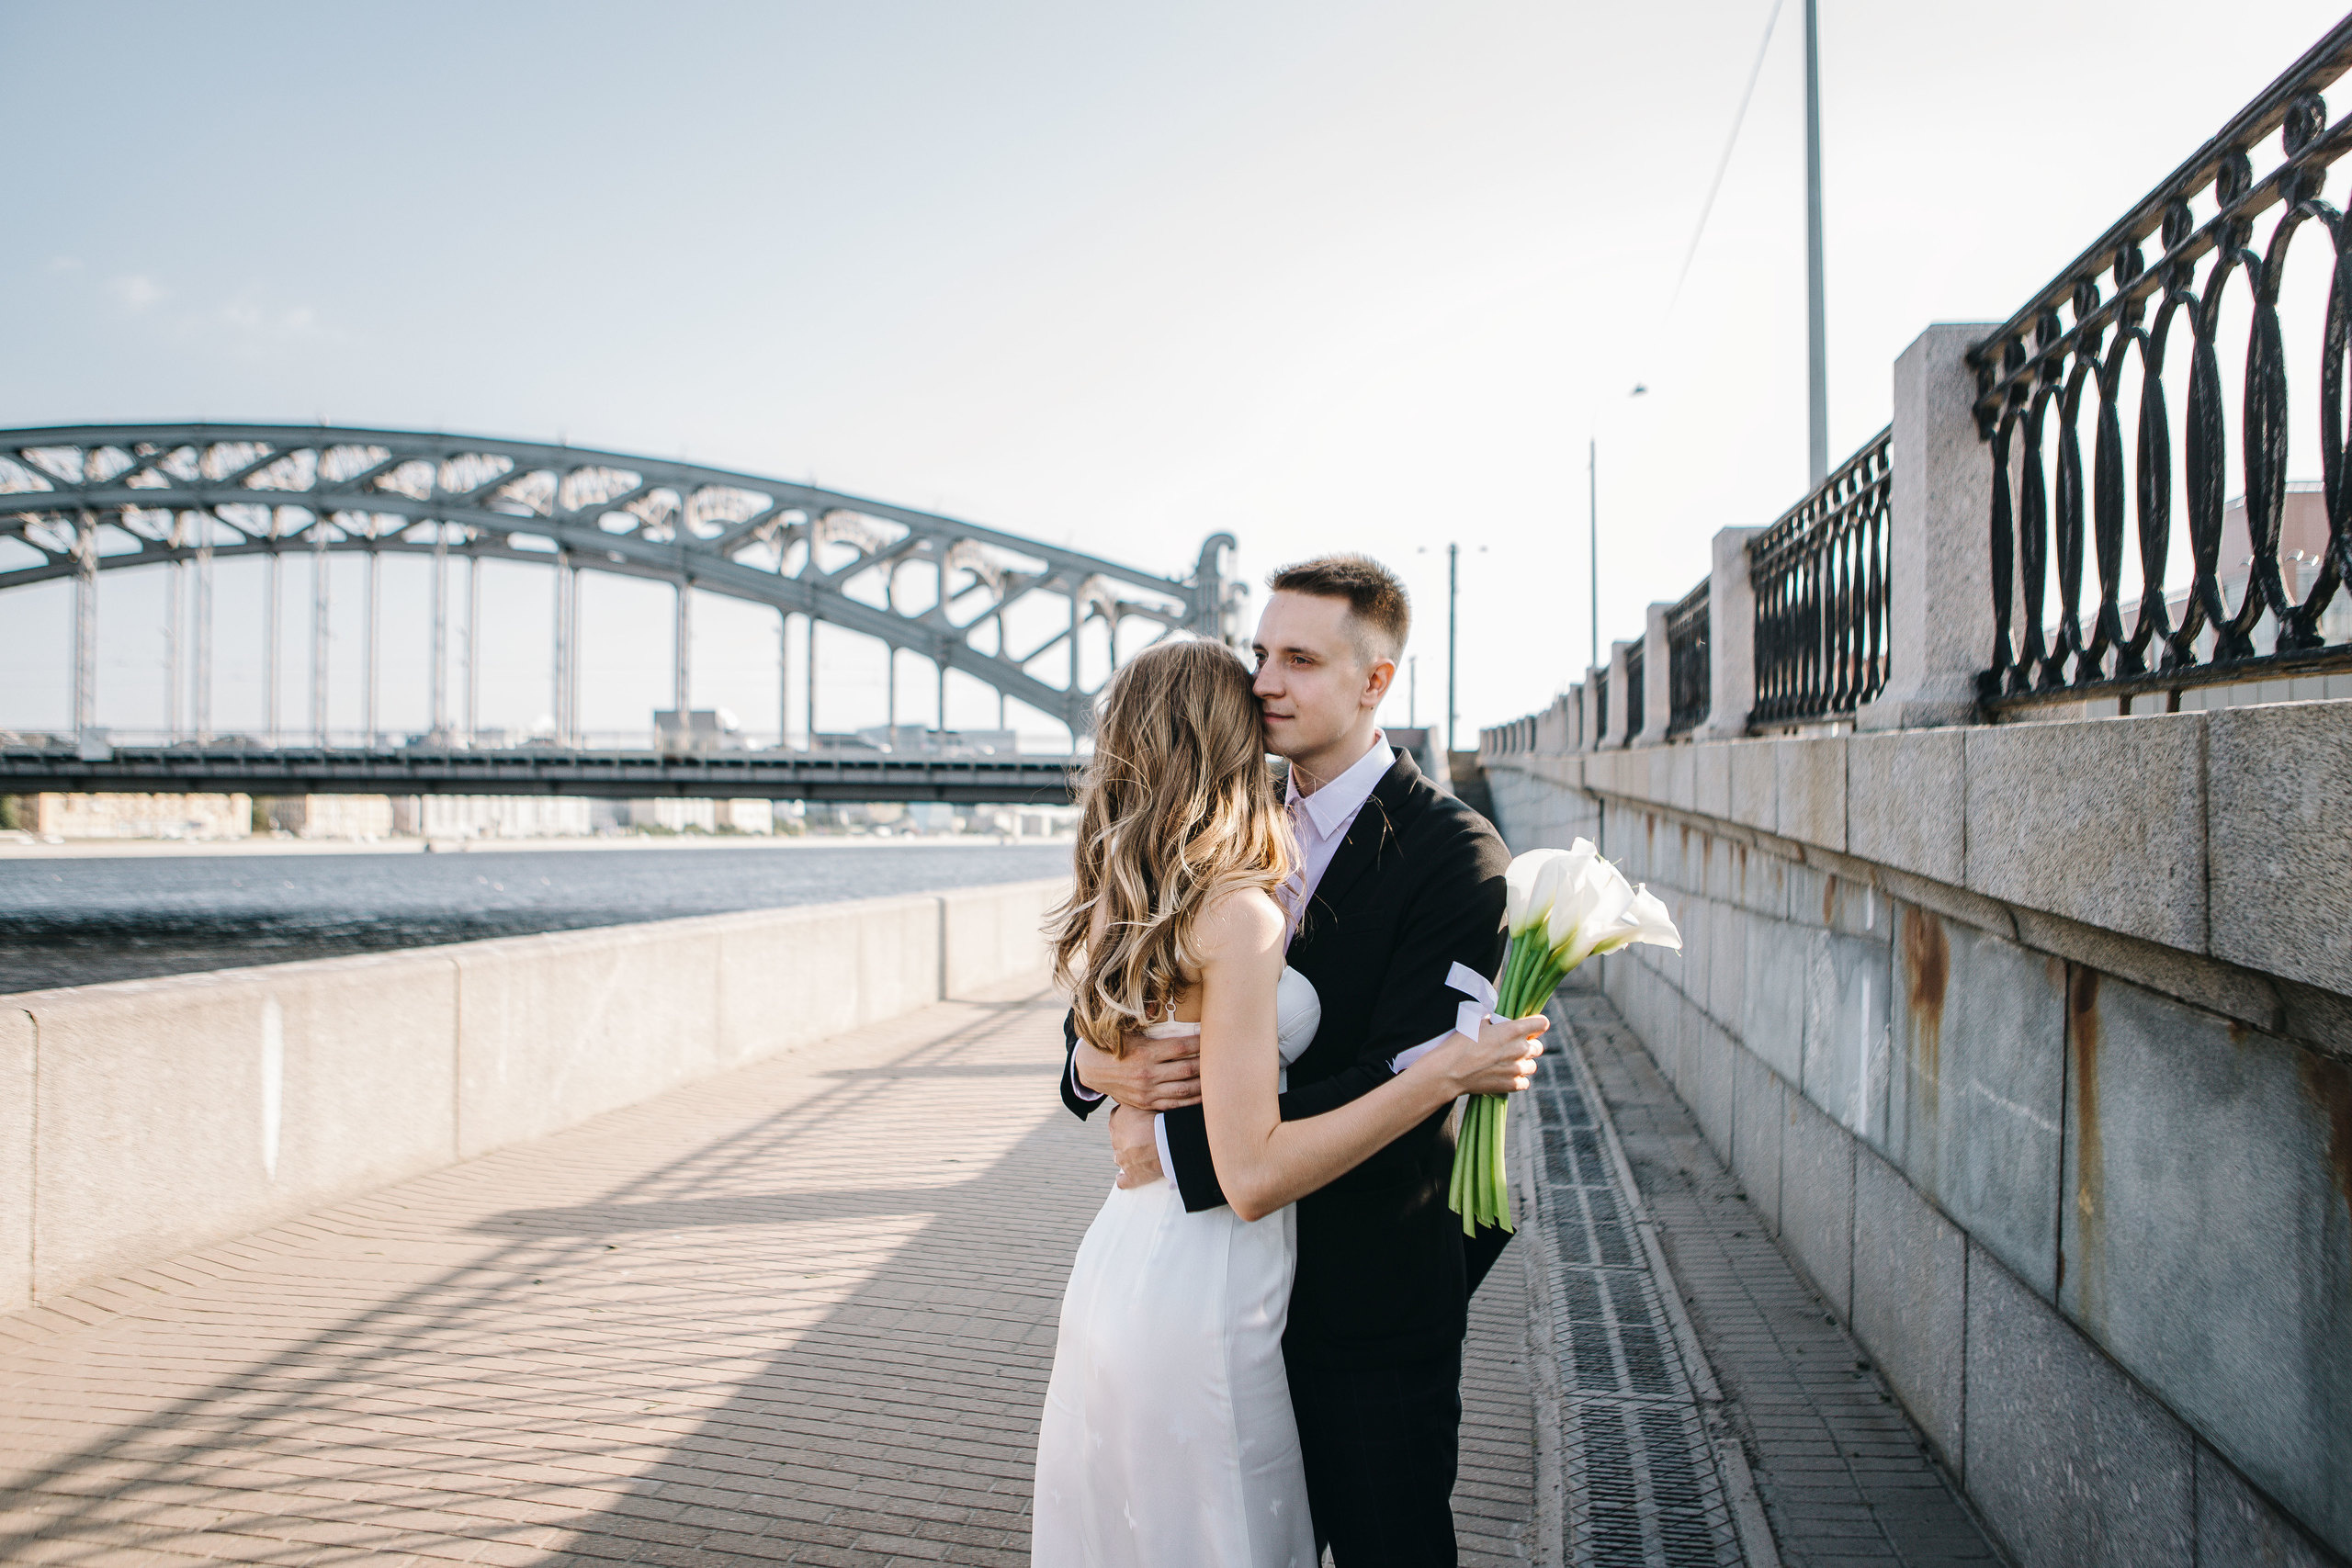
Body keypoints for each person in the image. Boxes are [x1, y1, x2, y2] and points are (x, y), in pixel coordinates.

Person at [1040, 555, 1537, 1567]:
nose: (1265, 679)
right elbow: (1120, 989)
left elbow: (1400, 1066)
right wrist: (1100, 1069)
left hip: (1363, 1304)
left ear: (1374, 681)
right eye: (1262, 652)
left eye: (1300, 659)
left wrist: (1177, 1141)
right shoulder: (1218, 814)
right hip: (1216, 1292)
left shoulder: (1456, 854)